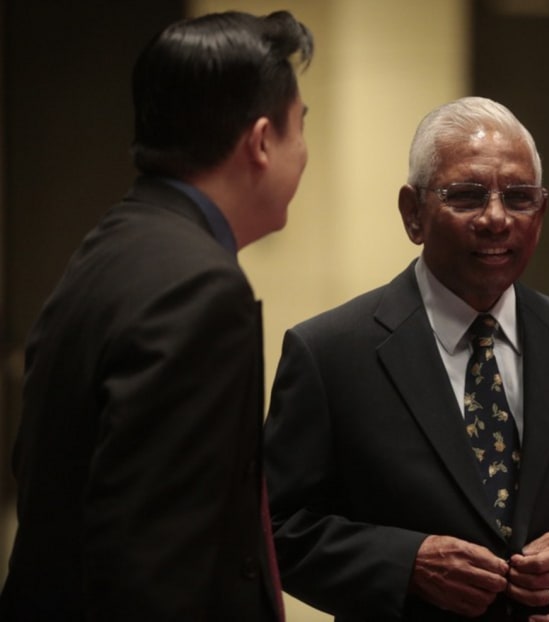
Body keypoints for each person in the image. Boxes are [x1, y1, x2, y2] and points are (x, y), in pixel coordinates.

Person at [263, 96, 549, 622]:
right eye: (468, 195)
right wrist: (406, 564)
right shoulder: (331, 353)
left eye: (519, 197)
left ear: (541, 214)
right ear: (413, 213)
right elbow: (276, 528)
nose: (496, 218)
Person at [0, 10, 313, 621]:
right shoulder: (201, 288)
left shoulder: (112, 243)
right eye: (301, 127)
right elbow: (159, 567)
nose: (304, 152)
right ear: (260, 142)